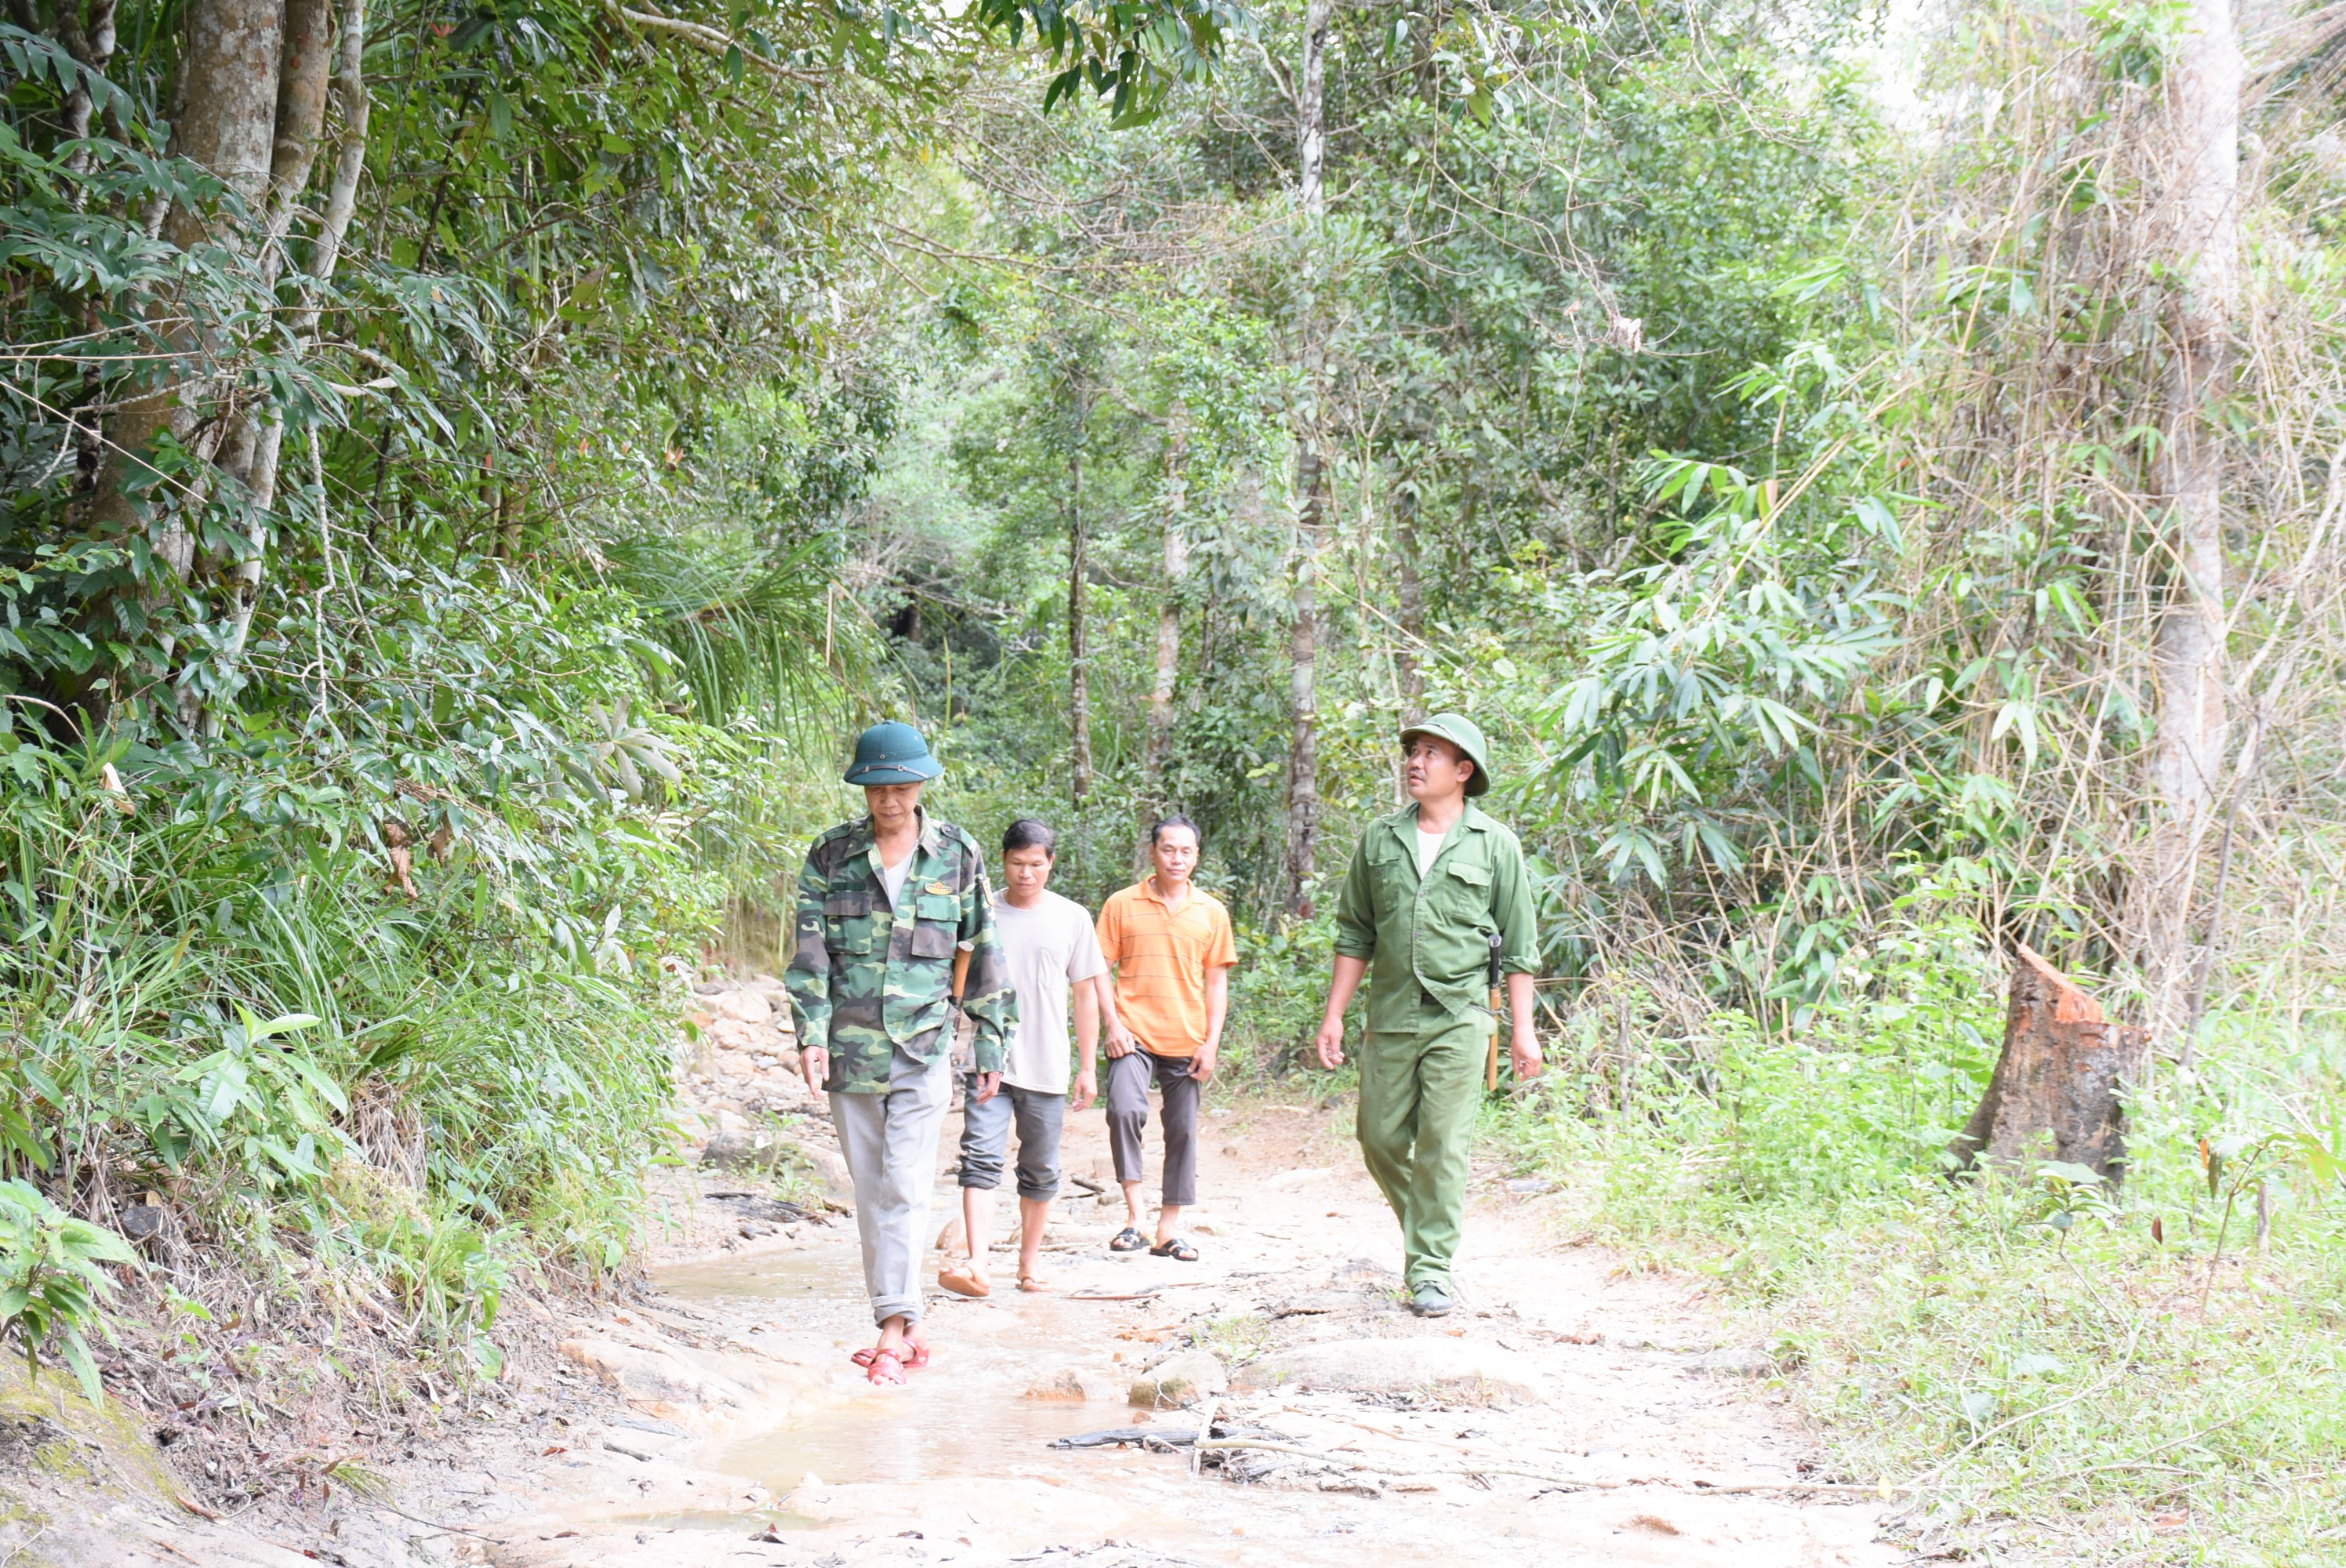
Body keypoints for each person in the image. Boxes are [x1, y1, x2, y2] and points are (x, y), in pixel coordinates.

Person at [785, 721, 1015, 1385]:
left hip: (925, 1045)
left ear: (922, 784)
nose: (891, 799)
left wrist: (992, 1037)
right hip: (851, 1050)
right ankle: (906, 1323)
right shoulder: (830, 856)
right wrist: (810, 1034)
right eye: (879, 787)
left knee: (908, 1185)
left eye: (902, 786)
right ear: (864, 788)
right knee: (872, 1190)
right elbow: (808, 957)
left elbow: (987, 949)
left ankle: (893, 1325)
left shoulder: (957, 853)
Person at [1313, 714, 1541, 1318]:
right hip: (1390, 1013)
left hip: (1463, 1015)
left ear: (1463, 772)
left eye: (1431, 754)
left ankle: (1430, 1269)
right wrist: (1333, 1015)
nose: (1415, 761)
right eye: (1413, 750)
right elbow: (1355, 934)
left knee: (1444, 1143)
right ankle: (1429, 1235)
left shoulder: (1496, 845)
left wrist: (1525, 1030)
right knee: (1379, 1137)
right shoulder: (1379, 840)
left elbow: (1518, 947)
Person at [937, 818, 1109, 1298]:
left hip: (1048, 1062)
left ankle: (1028, 1263)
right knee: (980, 1159)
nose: (1026, 874)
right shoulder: (983, 912)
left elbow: (1086, 995)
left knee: (1040, 1168)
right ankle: (977, 1262)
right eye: (1017, 864)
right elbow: (957, 978)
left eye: (1036, 865)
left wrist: (1088, 1066)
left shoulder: (1072, 917)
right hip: (986, 1059)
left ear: (1051, 863)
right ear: (1004, 862)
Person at [1093, 814, 1237, 1261]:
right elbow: (1099, 969)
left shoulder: (1211, 912)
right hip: (1132, 1034)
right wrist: (1112, 1026)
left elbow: (1216, 984)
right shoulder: (1121, 904)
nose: (1177, 858)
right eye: (1168, 849)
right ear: (1153, 852)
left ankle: (1167, 1230)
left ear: (1197, 856)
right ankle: (1135, 1219)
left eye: (1186, 851)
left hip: (1188, 1038)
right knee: (1123, 1108)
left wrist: (1211, 1042)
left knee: (1183, 1132)